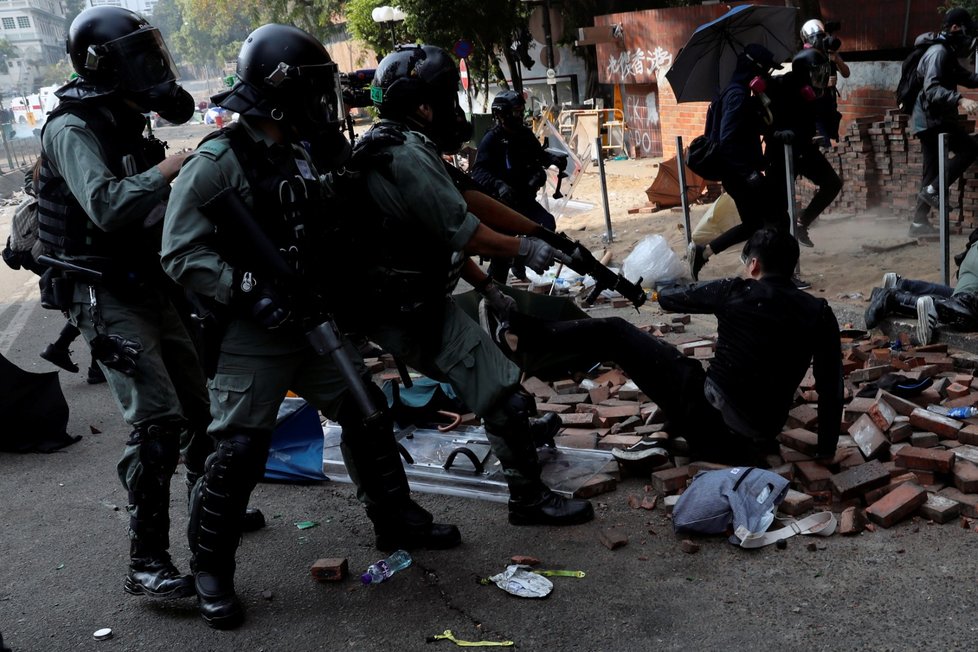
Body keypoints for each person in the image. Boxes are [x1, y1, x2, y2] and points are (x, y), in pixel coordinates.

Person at [161, 25, 461, 630]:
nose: (326, 104)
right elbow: (179, 251)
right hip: (255, 331)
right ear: (280, 94)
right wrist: (244, 290)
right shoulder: (221, 161)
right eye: (315, 90)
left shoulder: (303, 149)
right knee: (238, 452)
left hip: (313, 320)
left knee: (368, 412)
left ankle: (394, 516)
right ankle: (210, 571)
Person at [349, 44, 593, 529]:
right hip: (404, 307)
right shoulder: (406, 154)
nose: (450, 108)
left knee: (493, 374)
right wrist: (523, 250)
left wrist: (487, 287)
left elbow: (433, 232)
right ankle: (528, 500)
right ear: (421, 103)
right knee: (497, 388)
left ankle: (517, 437)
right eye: (443, 96)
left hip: (401, 299)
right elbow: (462, 230)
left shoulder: (394, 142)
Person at [37, 6, 210, 603]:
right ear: (105, 65)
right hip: (104, 291)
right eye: (141, 58)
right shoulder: (71, 128)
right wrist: (174, 164)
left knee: (198, 409)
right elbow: (107, 205)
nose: (154, 68)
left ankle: (210, 513)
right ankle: (147, 562)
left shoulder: (124, 118)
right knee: (158, 424)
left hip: (148, 280)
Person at [659, 229, 841, 464]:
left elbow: (671, 297)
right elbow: (831, 387)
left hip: (713, 419)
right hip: (764, 429)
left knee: (666, 357)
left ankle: (663, 433)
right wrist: (826, 450)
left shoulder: (734, 291)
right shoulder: (820, 312)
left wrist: (659, 294)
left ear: (753, 264)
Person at [1, 163, 105, 383]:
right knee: (90, 303)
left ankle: (69, 352)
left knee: (85, 302)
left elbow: (32, 181)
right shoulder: (62, 164)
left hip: (45, 251)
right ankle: (89, 362)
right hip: (50, 251)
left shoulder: (45, 165)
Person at [687, 44, 783, 281]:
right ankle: (773, 272)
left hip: (736, 172)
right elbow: (727, 140)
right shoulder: (737, 95)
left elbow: (742, 131)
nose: (766, 76)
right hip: (739, 174)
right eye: (764, 71)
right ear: (753, 68)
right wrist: (749, 173)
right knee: (777, 218)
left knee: (753, 224)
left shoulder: (735, 92)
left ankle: (704, 253)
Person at [471, 90, 568, 282]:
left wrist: (552, 159)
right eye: (515, 112)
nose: (519, 116)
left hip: (523, 199)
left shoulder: (524, 134)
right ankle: (494, 293)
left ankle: (520, 263)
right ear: (502, 114)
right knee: (502, 255)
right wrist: (498, 185)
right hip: (502, 205)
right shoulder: (492, 140)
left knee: (546, 225)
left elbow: (538, 155)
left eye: (520, 111)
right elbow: (478, 172)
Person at [908, 8, 978, 237]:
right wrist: (960, 99)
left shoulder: (945, 50)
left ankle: (918, 223)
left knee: (931, 173)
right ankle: (934, 191)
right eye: (966, 30)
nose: (967, 36)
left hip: (930, 119)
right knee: (970, 149)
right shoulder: (938, 52)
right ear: (956, 28)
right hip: (931, 119)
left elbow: (964, 76)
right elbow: (932, 89)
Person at [766, 47, 843, 249]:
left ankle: (802, 222)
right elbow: (761, 118)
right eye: (815, 73)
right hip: (780, 152)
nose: (819, 78)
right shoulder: (779, 86)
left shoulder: (815, 93)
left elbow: (826, 120)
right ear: (803, 72)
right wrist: (775, 133)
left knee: (832, 183)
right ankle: (761, 252)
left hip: (804, 149)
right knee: (778, 210)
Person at [864, 240, 978, 345]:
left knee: (959, 296)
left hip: (973, 252)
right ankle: (934, 306)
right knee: (964, 308)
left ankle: (899, 290)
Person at [800, 19, 850, 149]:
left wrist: (837, 59)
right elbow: (802, 83)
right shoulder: (806, 57)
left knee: (828, 141)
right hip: (814, 109)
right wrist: (824, 83)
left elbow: (846, 73)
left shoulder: (828, 54)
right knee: (824, 145)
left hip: (829, 106)